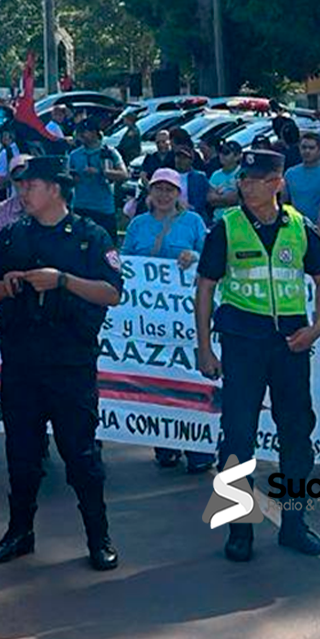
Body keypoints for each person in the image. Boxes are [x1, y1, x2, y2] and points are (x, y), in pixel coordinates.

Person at [0, 156, 125, 572]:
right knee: (21, 453)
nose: (23, 192)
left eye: (31, 186)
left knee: (80, 455)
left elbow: (112, 292)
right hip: (22, 361)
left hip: (69, 363)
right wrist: (4, 287)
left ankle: (99, 536)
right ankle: (19, 532)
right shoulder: (12, 235)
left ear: (55, 190)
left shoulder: (89, 236)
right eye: (21, 186)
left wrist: (62, 280)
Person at [194, 149, 320, 562]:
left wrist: (318, 326)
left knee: (296, 434)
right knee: (238, 436)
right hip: (242, 343)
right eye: (243, 178)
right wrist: (204, 347)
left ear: (277, 182)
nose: (245, 185)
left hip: (290, 345)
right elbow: (205, 289)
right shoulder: (227, 228)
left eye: (255, 179)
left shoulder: (300, 228)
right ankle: (240, 531)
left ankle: (295, 524)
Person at [121, 169, 214, 473]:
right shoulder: (137, 225)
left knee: (190, 378)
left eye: (169, 189)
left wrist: (194, 256)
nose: (163, 195)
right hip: (149, 320)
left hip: (187, 317)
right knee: (156, 378)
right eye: (158, 189)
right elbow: (124, 265)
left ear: (179, 194)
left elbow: (212, 259)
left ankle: (198, 448)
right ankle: (165, 442)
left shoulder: (194, 222)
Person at [65, 122, 127, 237]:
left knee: (107, 246)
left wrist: (101, 173)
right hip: (81, 207)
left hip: (103, 208)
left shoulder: (109, 152)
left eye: (84, 132)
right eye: (79, 133)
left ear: (94, 133)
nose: (81, 135)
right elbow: (67, 179)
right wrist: (74, 178)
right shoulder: (74, 155)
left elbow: (124, 175)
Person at [283, 132, 320, 226]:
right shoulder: (290, 174)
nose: (307, 151)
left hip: (319, 228)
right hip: (296, 226)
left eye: (311, 148)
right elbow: (284, 202)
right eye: (304, 147)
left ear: (319, 150)